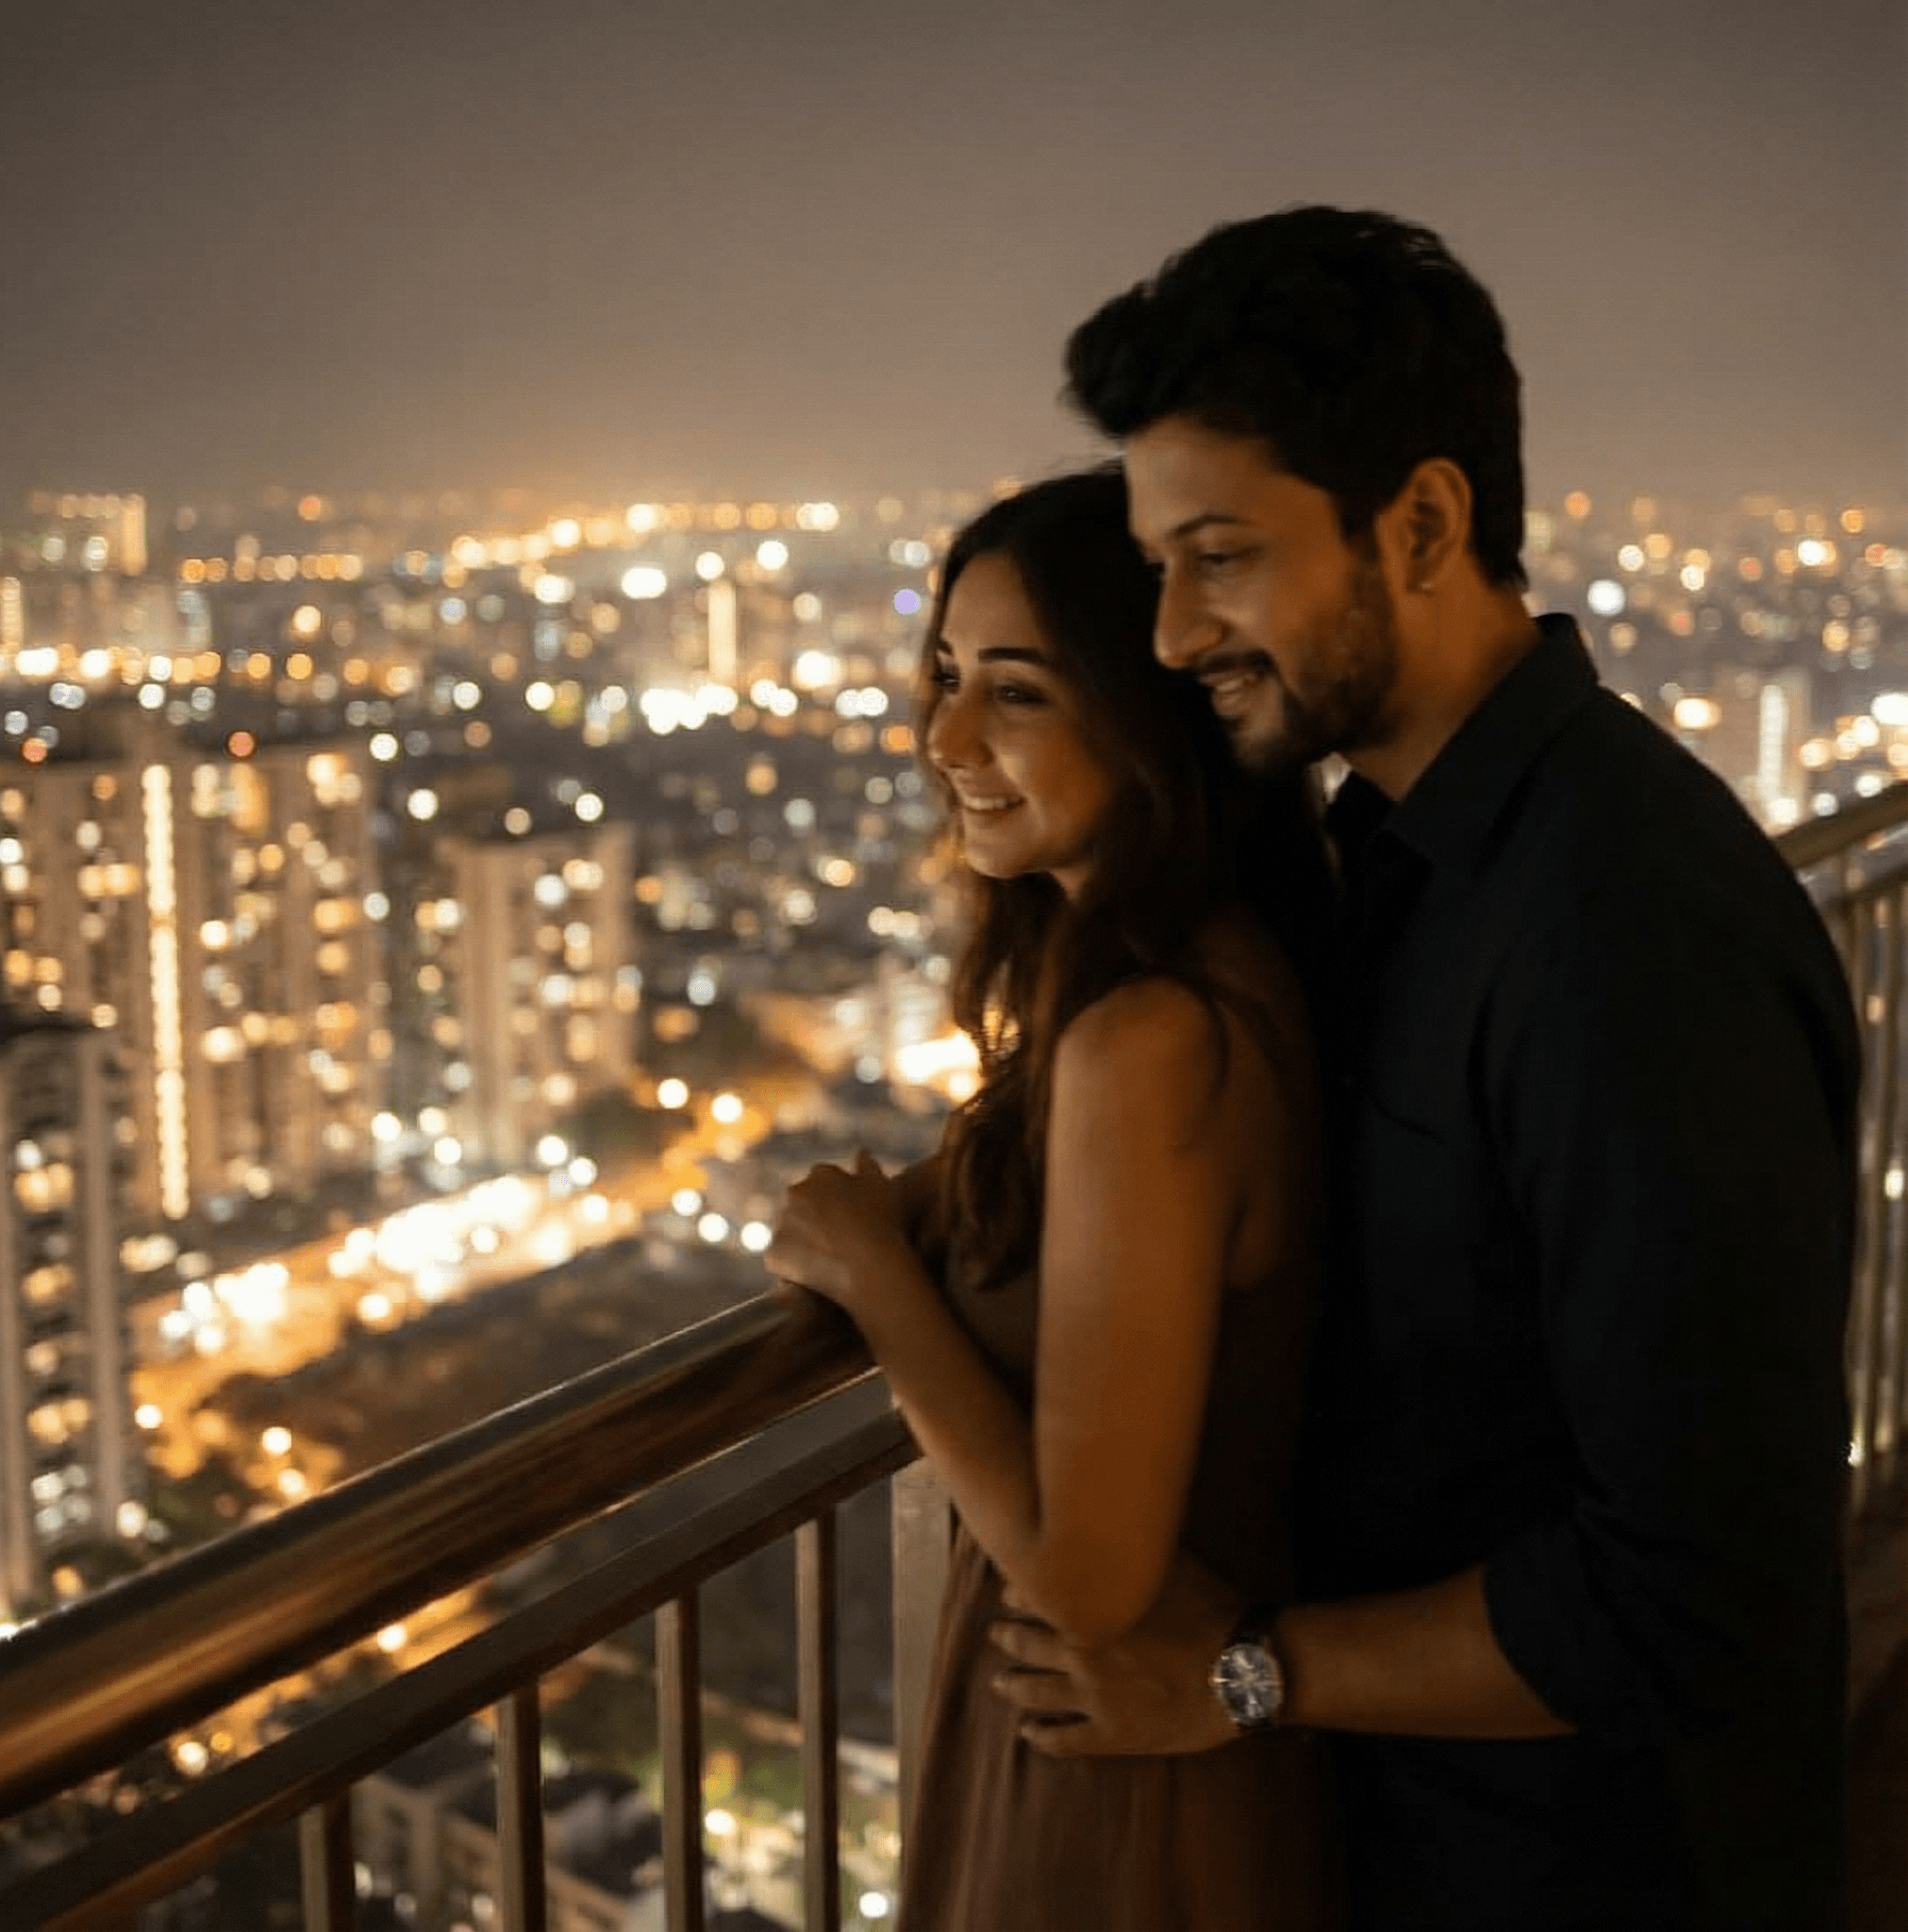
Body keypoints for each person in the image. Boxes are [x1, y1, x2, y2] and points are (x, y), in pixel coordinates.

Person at [985, 207, 1861, 1931]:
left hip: (1594, 1870)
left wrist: (1244, 1676)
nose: (1170, 634)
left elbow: (1694, 1595)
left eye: (1221, 556)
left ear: (1427, 525)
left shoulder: (1621, 931)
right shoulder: (1400, 852)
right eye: (1157, 566)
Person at [763, 468, 1342, 1930]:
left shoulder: (1151, 1041)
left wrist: (876, 1280)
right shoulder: (1218, 962)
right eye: (947, 674)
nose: (946, 736)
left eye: (1016, 692)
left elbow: (1090, 1578)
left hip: (1111, 1765)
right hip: (1141, 1749)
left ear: (1150, 716)